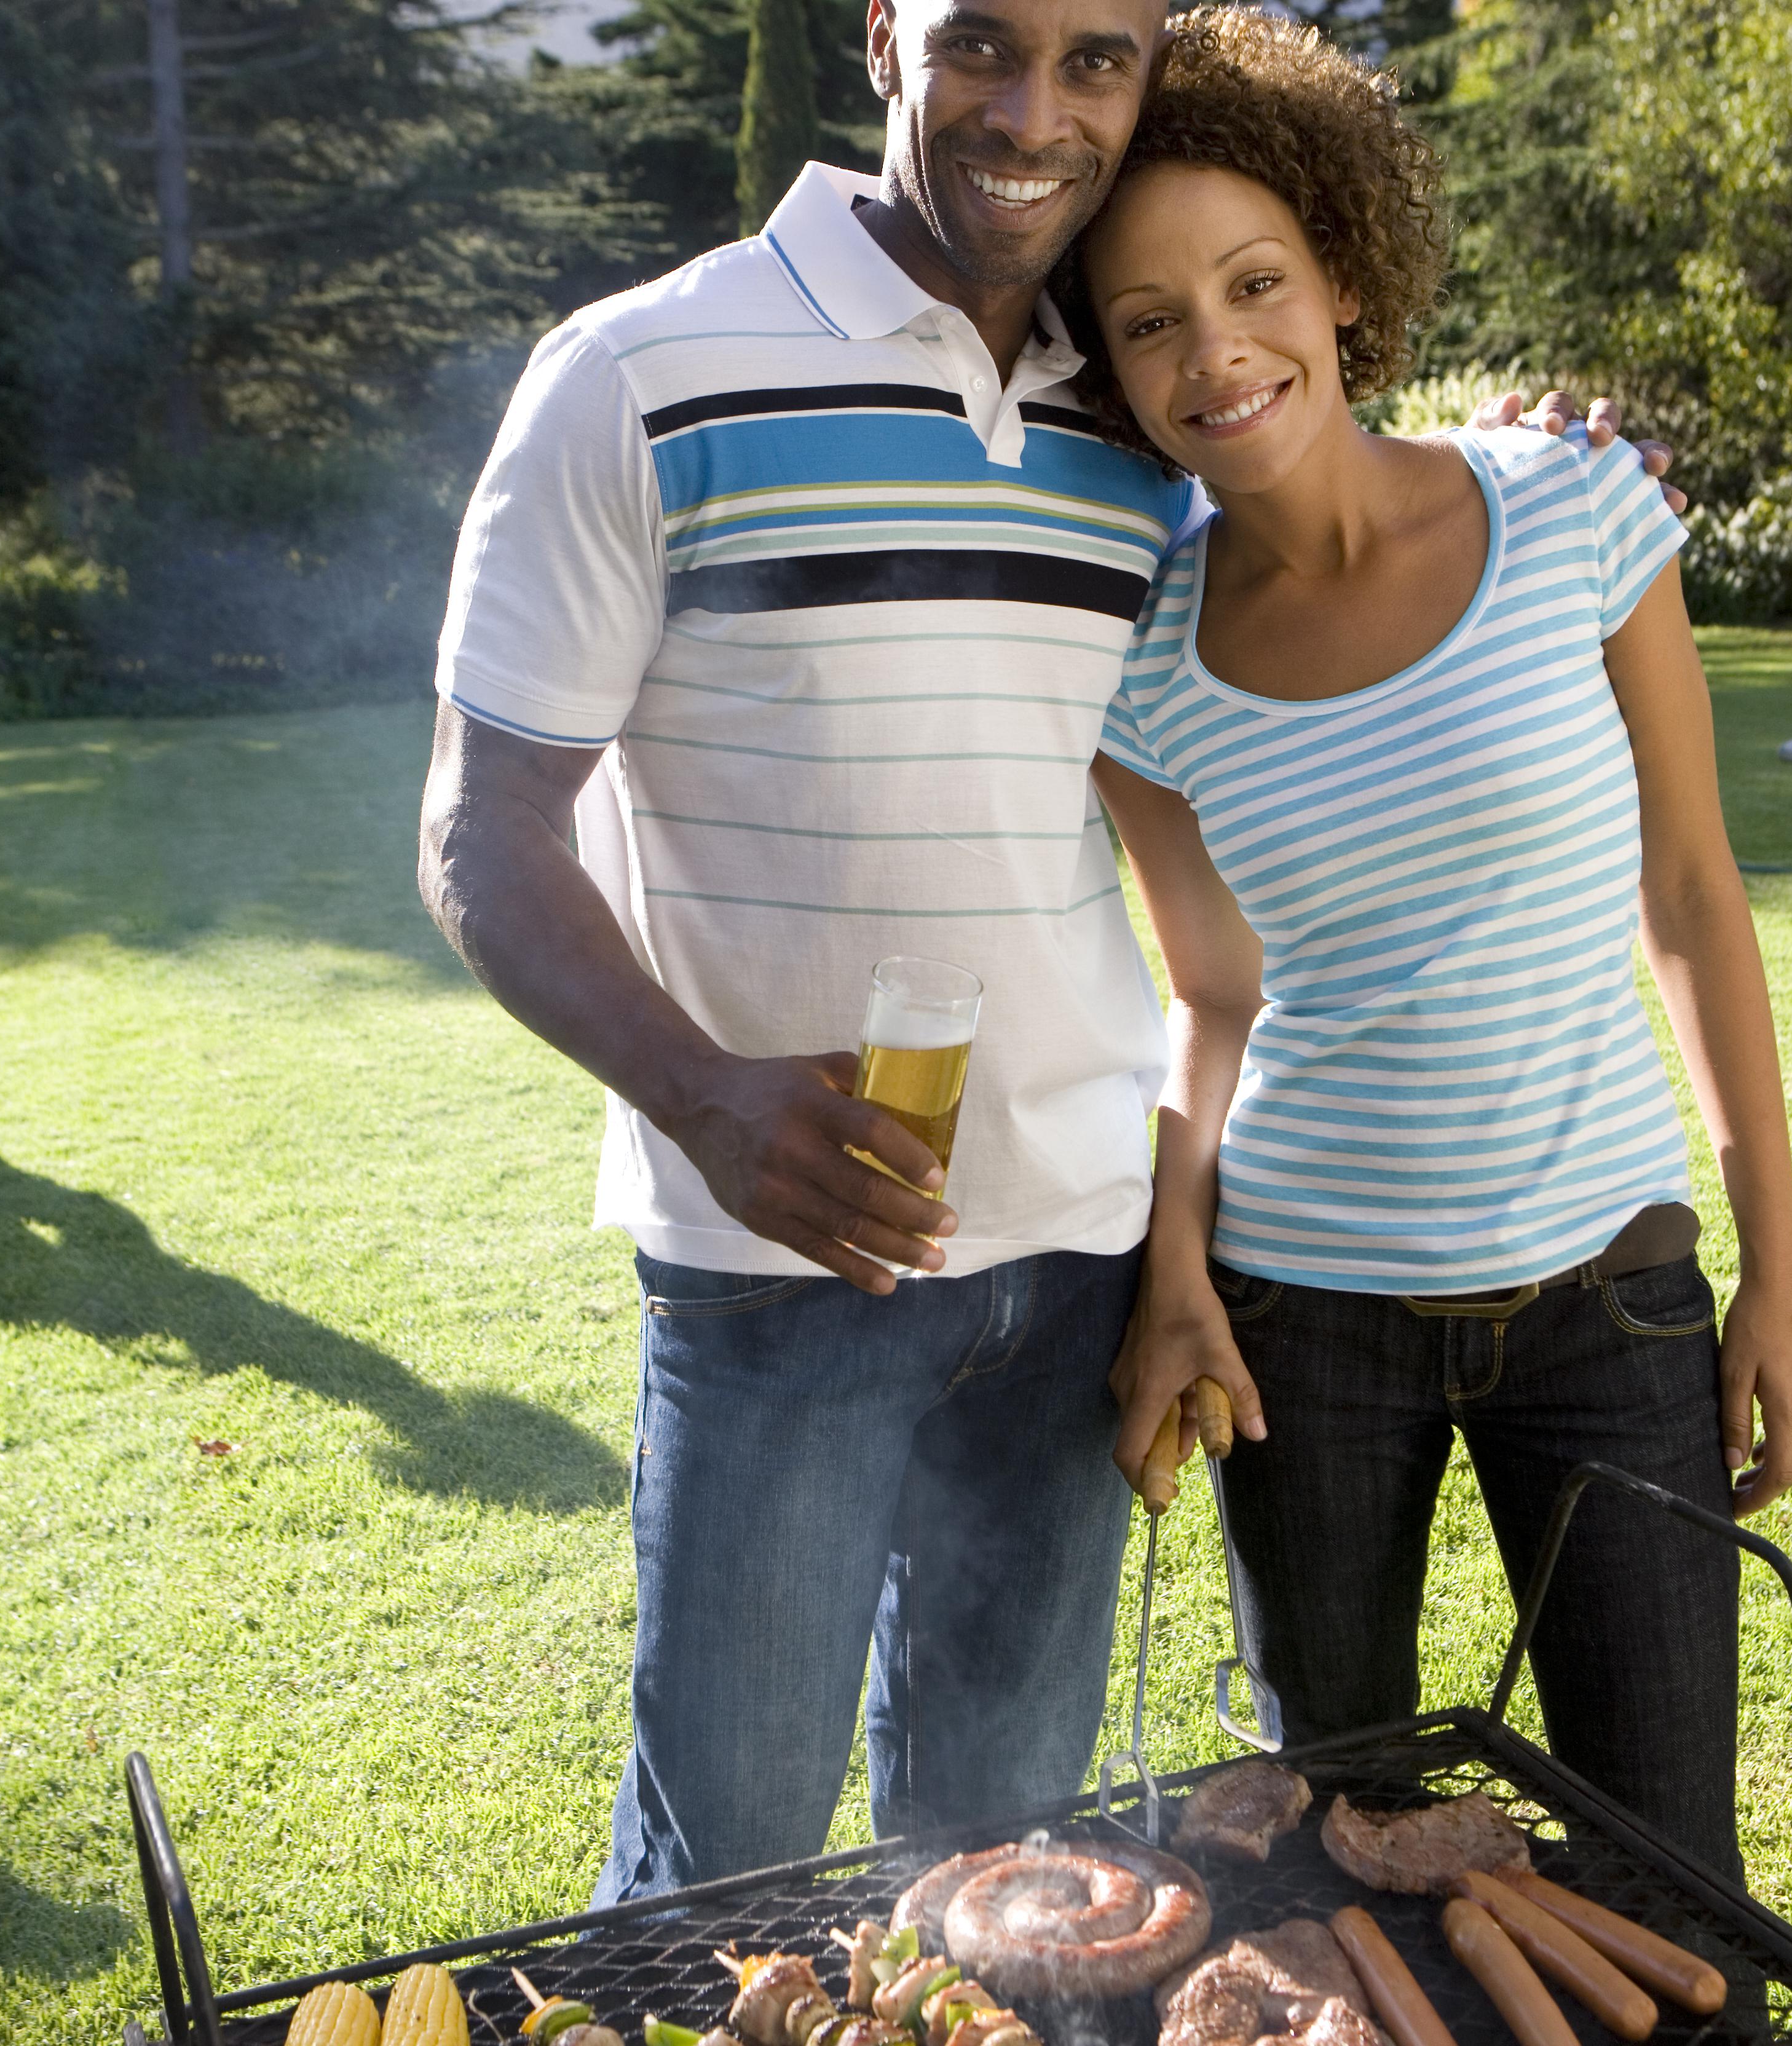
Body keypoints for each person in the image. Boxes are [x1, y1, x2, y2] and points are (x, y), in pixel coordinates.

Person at [422, 0, 1675, 1903]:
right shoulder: (634, 373)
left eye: (1096, 59)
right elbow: (477, 835)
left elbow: (1313, 449)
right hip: (780, 1271)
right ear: (880, 38)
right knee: (720, 1877)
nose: (1034, 110)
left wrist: (1524, 450)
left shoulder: (1132, 401)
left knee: (1007, 1872)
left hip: (1083, 1267)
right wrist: (703, 1099)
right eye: (981, 48)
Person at [1064, 8, 1792, 1881]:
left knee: (1668, 1857)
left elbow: (1694, 895)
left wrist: (1775, 1267)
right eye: (1150, 319)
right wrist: (1174, 1268)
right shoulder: (1143, 665)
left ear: (1341, 280)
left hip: (1611, 1294)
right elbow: (1208, 997)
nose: (1214, 349)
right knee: (1339, 1848)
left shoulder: (1569, 507)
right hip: (1296, 1332)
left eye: (1253, 284)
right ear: (1109, 362)